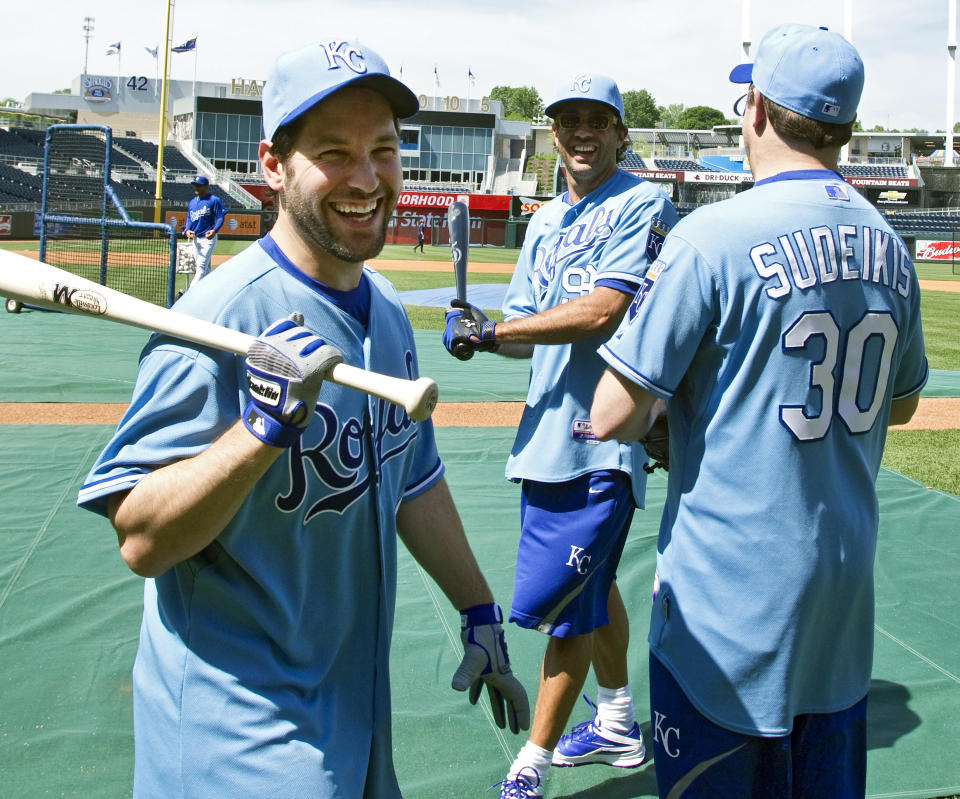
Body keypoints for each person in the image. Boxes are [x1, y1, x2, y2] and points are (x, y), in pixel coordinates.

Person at [77, 40, 528, 799]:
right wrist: (259, 430)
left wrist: (477, 609)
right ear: (273, 165)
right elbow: (141, 536)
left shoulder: (383, 308)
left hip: (353, 711)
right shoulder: (216, 320)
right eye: (333, 153)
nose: (365, 177)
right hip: (242, 738)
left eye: (383, 149)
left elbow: (413, 477)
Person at [590, 24, 928, 799]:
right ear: (845, 127)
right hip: (840, 606)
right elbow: (902, 405)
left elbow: (614, 411)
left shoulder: (709, 238)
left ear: (758, 112)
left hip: (726, 606)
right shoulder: (889, 244)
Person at [443, 73, 678, 797]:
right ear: (552, 132)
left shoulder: (643, 202)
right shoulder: (542, 221)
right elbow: (522, 334)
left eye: (597, 120)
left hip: (605, 437)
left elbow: (606, 308)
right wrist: (483, 336)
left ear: (620, 132)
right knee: (593, 585)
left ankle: (532, 759)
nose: (582, 131)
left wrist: (500, 327)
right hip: (545, 437)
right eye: (568, 120)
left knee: (563, 607)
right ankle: (615, 722)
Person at [183, 174, 226, 288]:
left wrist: (215, 230)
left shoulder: (214, 200)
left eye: (199, 185)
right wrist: (187, 229)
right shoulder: (192, 202)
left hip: (208, 239)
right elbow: (189, 218)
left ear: (206, 187)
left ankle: (189, 295)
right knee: (205, 270)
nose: (196, 188)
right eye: (195, 185)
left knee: (201, 268)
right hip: (196, 239)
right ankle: (214, 290)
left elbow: (221, 217)